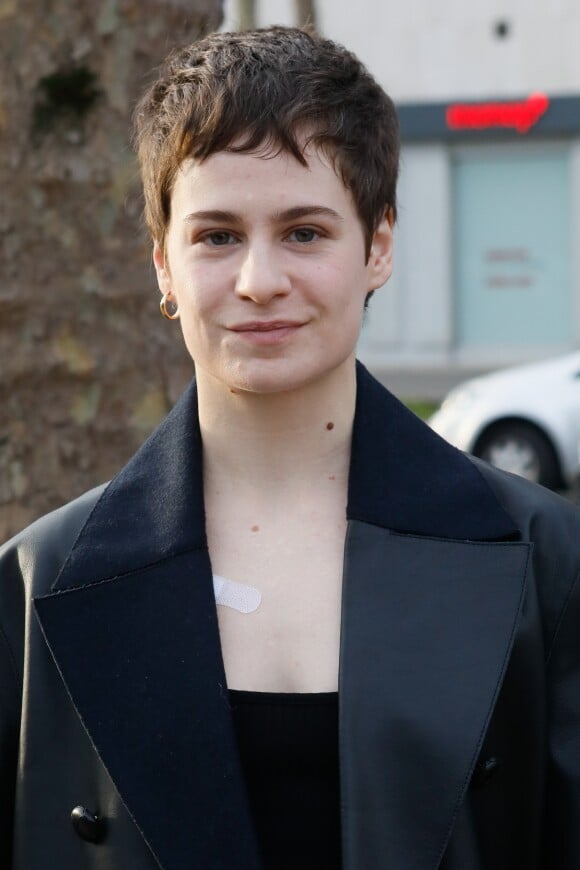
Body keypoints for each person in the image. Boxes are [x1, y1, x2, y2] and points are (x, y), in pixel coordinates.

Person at [1, 25, 580, 870]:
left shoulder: (541, 560)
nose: (258, 280)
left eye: (304, 232)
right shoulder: (36, 581)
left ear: (378, 246)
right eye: (217, 235)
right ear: (162, 262)